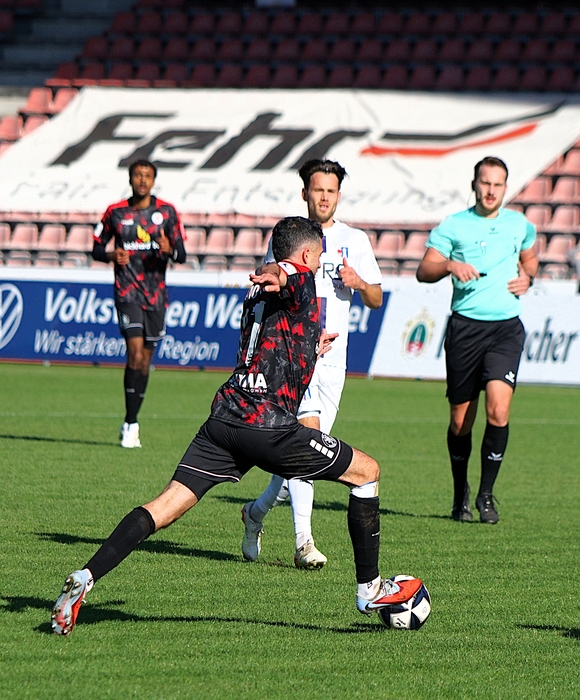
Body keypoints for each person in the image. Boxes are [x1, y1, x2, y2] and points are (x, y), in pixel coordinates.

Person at [52, 217, 416, 636]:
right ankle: (369, 590)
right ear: (305, 253)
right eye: (318, 255)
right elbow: (289, 274)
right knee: (367, 472)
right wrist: (282, 271)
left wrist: (309, 346)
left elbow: (272, 342)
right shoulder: (299, 279)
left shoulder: (256, 294)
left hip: (225, 419)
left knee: (165, 506)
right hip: (269, 427)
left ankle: (85, 577)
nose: (320, 263)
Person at [241, 159, 382, 570]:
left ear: (339, 195)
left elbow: (376, 298)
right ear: (305, 192)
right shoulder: (290, 236)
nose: (324, 197)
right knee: (309, 440)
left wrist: (358, 283)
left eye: (331, 190)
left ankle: (255, 513)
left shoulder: (355, 240)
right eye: (318, 189)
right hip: (295, 356)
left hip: (333, 360)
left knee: (301, 456)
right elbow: (268, 276)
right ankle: (304, 542)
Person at [416, 156, 538, 524]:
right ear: (474, 184)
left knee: (498, 410)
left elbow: (530, 258)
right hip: (465, 330)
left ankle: (486, 495)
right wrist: (449, 265)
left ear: (506, 188)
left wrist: (529, 277)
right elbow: (424, 270)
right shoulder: (454, 225)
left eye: (498, 184)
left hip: (506, 329)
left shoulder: (519, 224)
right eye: (485, 182)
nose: (491, 190)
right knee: (460, 423)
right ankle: (461, 493)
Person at [93, 159, 187, 449]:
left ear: (154, 180)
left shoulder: (167, 212)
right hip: (127, 292)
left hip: (155, 296)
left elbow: (182, 254)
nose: (142, 180)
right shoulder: (115, 212)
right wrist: (111, 256)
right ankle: (131, 423)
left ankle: (132, 419)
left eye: (147, 176)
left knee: (145, 361)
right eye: (137, 175)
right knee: (134, 354)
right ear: (130, 179)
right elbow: (96, 248)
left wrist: (170, 250)